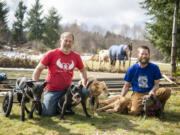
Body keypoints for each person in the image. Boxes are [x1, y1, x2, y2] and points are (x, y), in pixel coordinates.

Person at [32, 32, 87, 116]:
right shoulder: (51, 54)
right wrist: (35, 85)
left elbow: (83, 70)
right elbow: (38, 69)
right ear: (60, 41)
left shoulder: (76, 56)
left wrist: (84, 81)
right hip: (52, 90)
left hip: (68, 90)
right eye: (66, 41)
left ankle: (67, 106)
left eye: (70, 41)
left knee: (85, 91)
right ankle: (59, 106)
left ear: (73, 43)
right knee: (47, 114)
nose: (68, 43)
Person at [119, 45, 171, 115]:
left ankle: (159, 108)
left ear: (149, 55)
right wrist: (121, 98)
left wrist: (152, 91)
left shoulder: (154, 68)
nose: (144, 56)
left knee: (166, 91)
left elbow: (156, 84)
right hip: (138, 93)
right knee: (134, 112)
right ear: (138, 55)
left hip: (151, 92)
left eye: (146, 54)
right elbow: (126, 86)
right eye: (142, 54)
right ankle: (144, 107)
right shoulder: (132, 69)